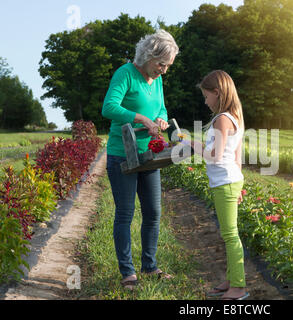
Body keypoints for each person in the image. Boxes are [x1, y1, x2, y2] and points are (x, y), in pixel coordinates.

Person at [101, 29, 179, 290]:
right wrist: (141, 118)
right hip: (122, 154)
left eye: (167, 66)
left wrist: (160, 119)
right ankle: (128, 272)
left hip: (150, 155)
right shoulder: (125, 74)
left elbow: (162, 108)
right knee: (125, 213)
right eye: (161, 64)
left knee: (153, 213)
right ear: (148, 55)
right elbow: (109, 107)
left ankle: (150, 265)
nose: (164, 71)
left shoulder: (156, 80)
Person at [192, 70, 249, 300]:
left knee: (230, 234)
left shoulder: (221, 119)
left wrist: (190, 142)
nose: (205, 102)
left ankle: (238, 288)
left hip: (224, 182)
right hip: (231, 180)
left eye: (206, 96)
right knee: (229, 233)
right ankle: (232, 279)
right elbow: (237, 157)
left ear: (217, 93)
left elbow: (214, 156)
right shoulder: (235, 117)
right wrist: (238, 186)